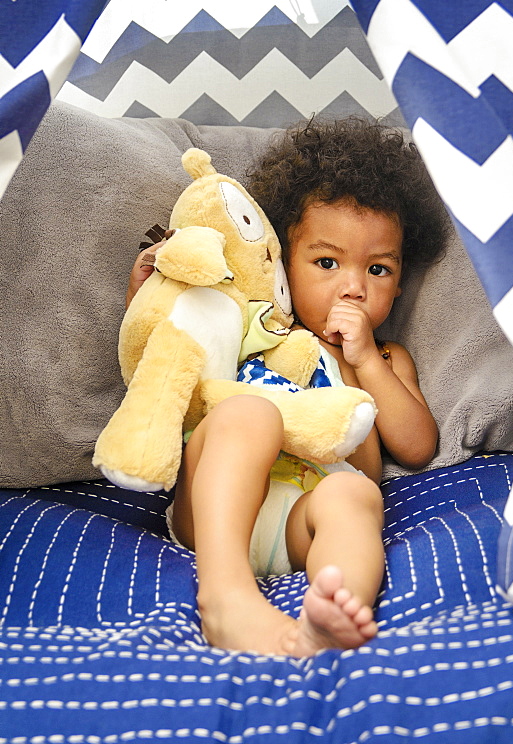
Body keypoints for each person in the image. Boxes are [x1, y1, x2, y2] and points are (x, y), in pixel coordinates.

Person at [127, 117, 448, 656]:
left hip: (301, 520)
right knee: (250, 415)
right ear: (281, 259)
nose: (353, 286)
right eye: (327, 262)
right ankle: (226, 598)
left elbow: (417, 447)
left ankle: (332, 611)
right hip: (216, 508)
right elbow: (173, 360)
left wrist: (365, 359)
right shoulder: (259, 325)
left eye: (379, 269)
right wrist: (151, 297)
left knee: (356, 494)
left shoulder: (388, 359)